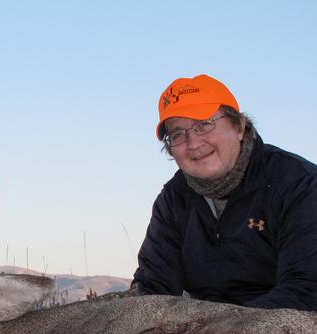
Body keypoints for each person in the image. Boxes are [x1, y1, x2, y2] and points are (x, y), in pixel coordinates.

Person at [132, 74, 317, 311]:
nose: (193, 143)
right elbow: (152, 288)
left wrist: (220, 329)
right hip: (207, 330)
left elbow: (307, 290)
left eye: (204, 124)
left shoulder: (299, 184)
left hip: (284, 328)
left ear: (240, 127)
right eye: (178, 134)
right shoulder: (173, 199)